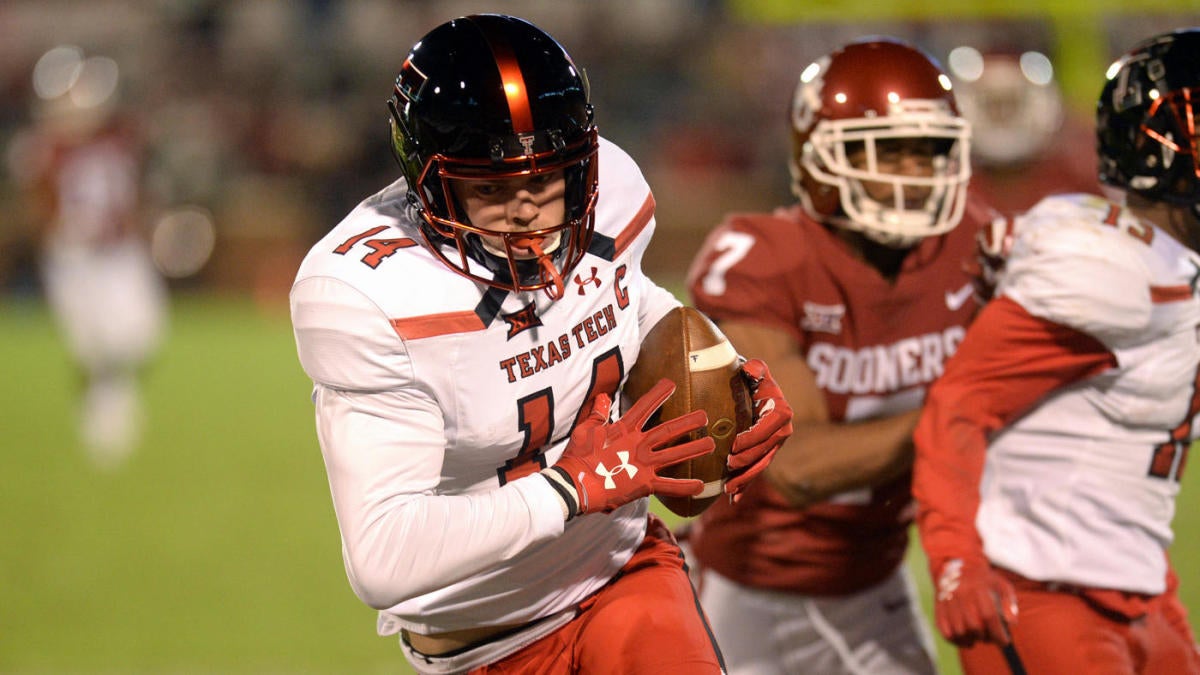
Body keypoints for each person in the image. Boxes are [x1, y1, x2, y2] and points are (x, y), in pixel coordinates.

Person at [288, 14, 792, 675]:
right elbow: (382, 555)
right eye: (492, 189)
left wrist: (722, 370)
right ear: (431, 181)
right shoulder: (372, 293)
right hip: (484, 640)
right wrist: (569, 488)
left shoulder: (610, 190)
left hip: (621, 571)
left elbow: (626, 300)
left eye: (545, 180)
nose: (527, 209)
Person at [681, 37, 987, 674]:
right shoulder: (769, 256)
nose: (911, 174)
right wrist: (960, 415)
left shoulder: (975, 248)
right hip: (750, 590)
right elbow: (797, 465)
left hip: (875, 580)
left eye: (927, 151)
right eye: (885, 152)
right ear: (819, 162)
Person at [912, 27, 1200, 674]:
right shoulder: (1109, 272)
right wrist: (956, 560)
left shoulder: (1167, 264)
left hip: (1142, 587)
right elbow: (957, 406)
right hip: (1039, 593)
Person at [9, 46, 168, 468]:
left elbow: (134, 189)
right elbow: (37, 206)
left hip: (121, 253)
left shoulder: (119, 135)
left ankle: (111, 405)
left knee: (142, 334)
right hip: (75, 257)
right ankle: (104, 420)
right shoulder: (42, 149)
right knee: (92, 346)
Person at [947, 45, 1099, 216]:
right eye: (994, 106)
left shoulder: (1079, 180)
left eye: (1009, 104)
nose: (1002, 115)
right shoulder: (947, 191)